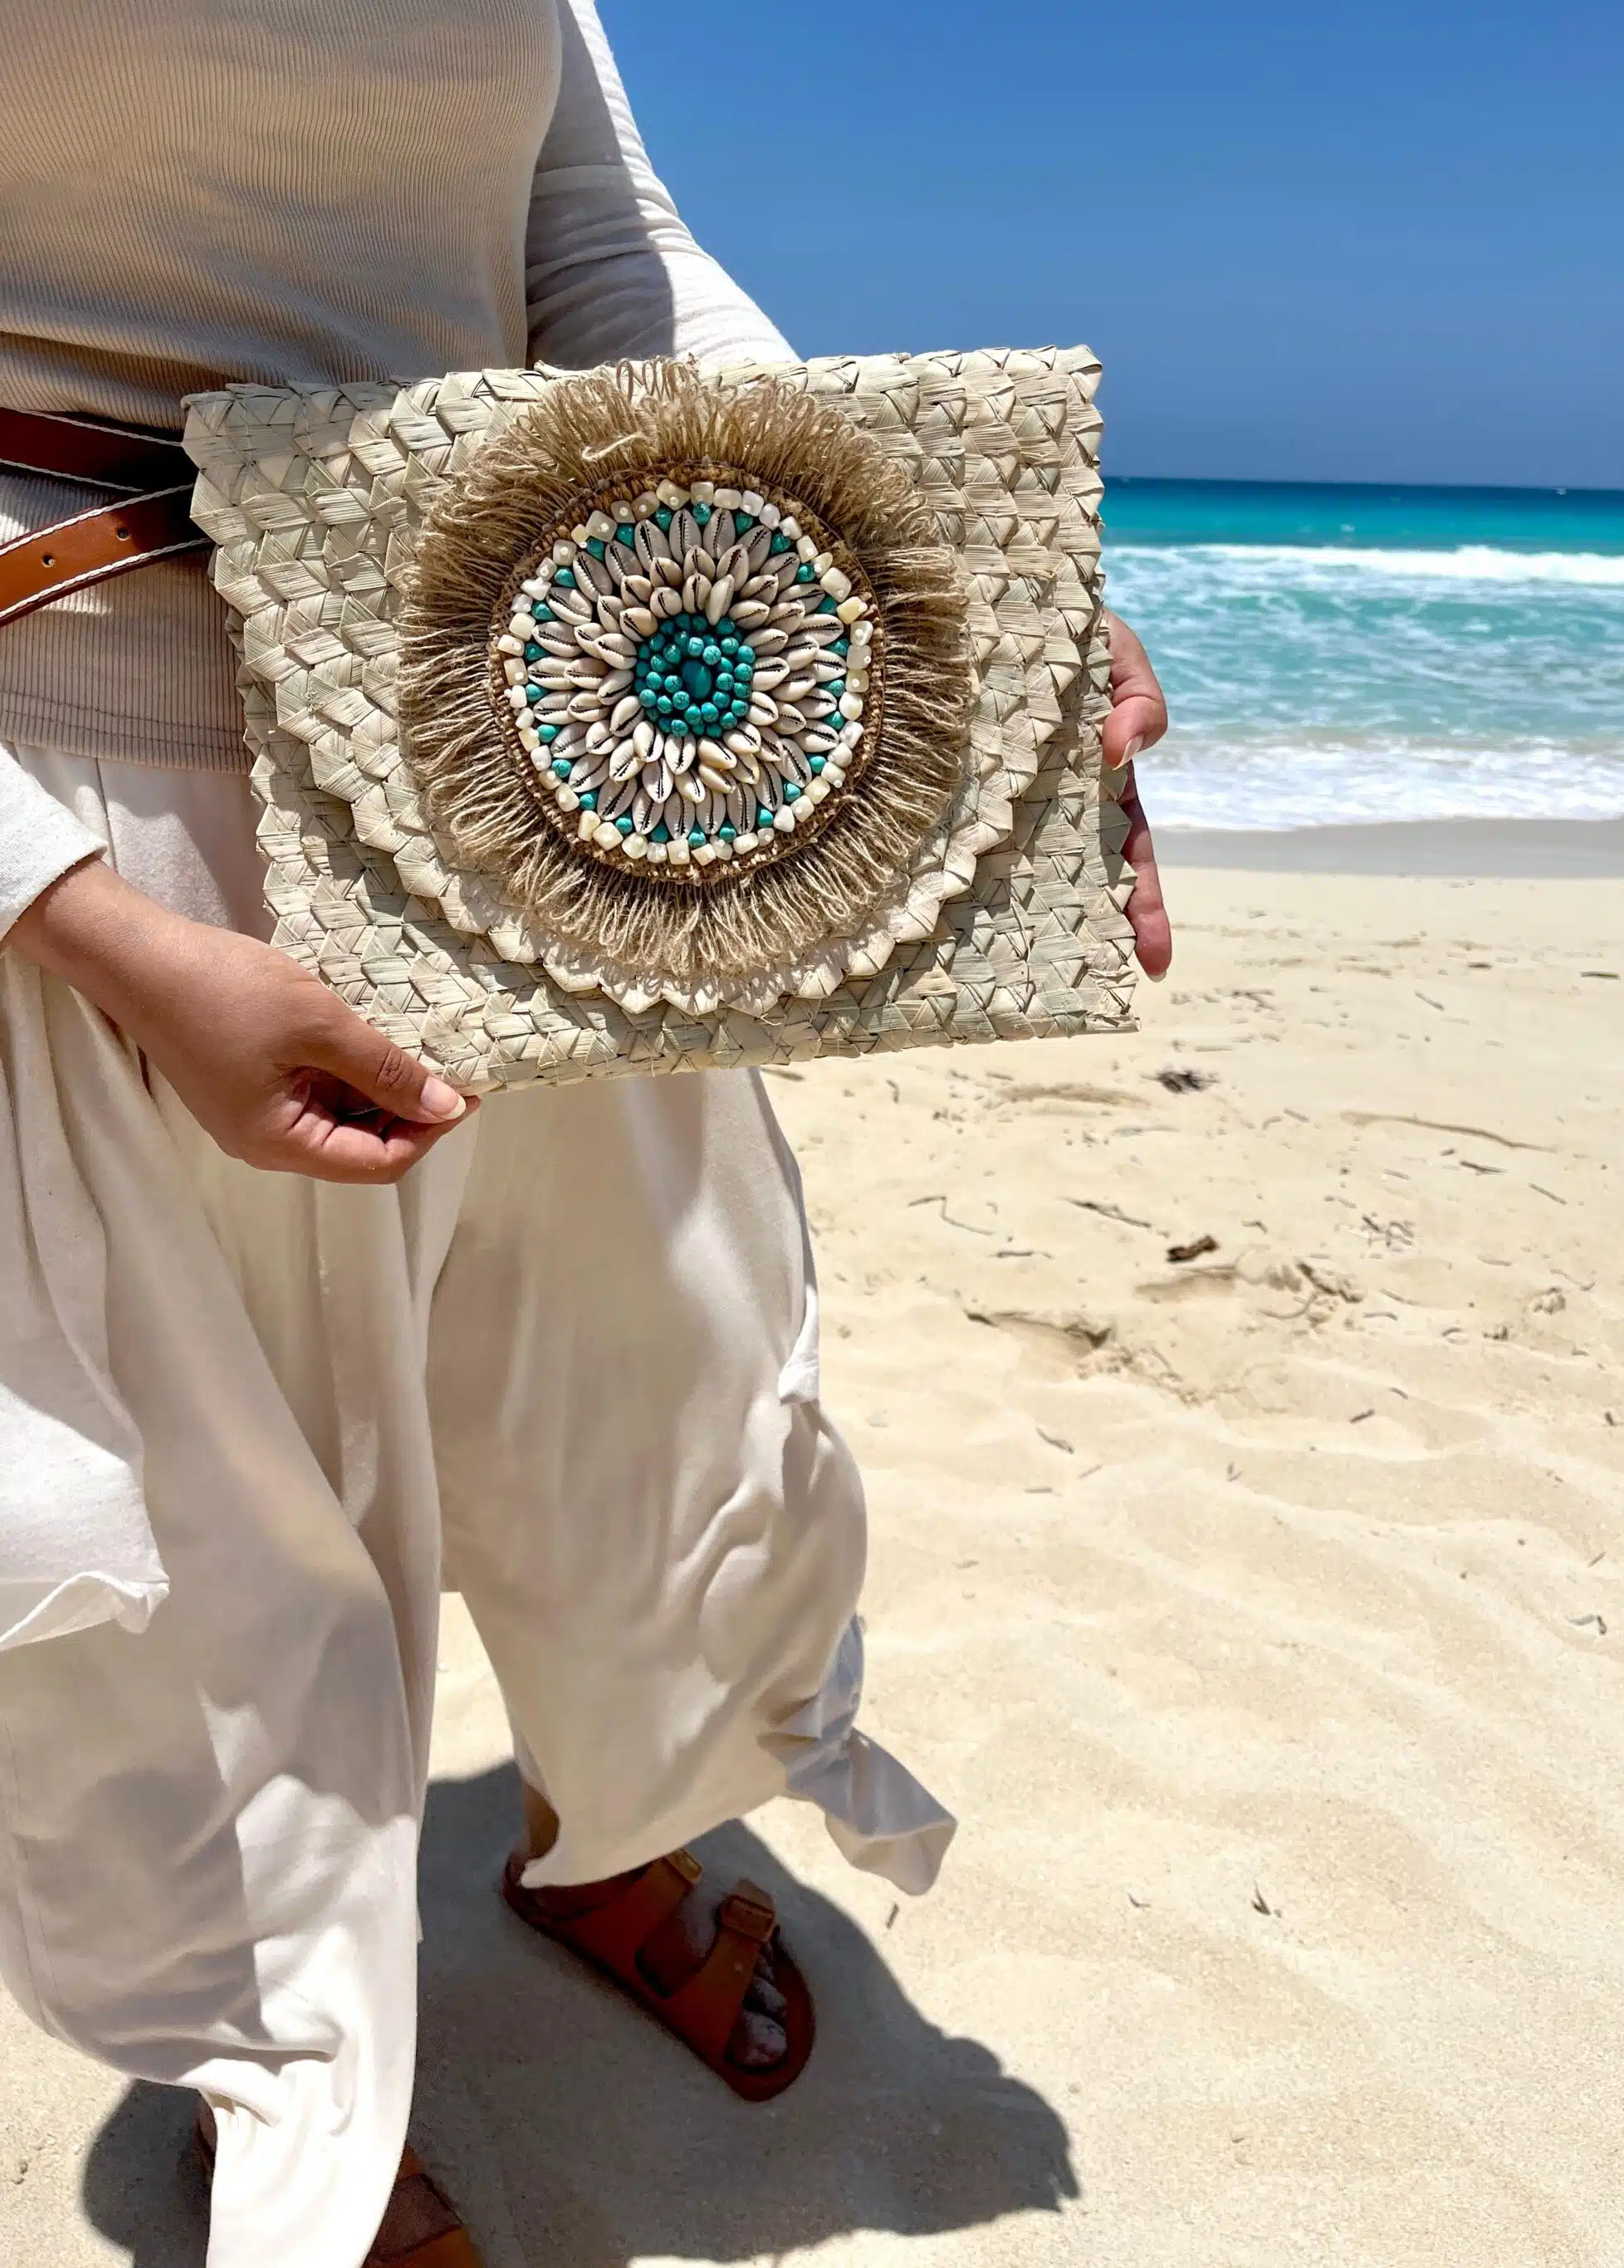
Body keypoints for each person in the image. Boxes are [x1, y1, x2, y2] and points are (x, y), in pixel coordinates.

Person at [0, 4, 1172, 2263]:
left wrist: (956, 593)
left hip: (533, 747)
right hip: (95, 798)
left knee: (648, 1393)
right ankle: (299, 2103)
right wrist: (85, 924)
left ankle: (609, 1816)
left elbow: (602, 253)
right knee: (226, 1556)